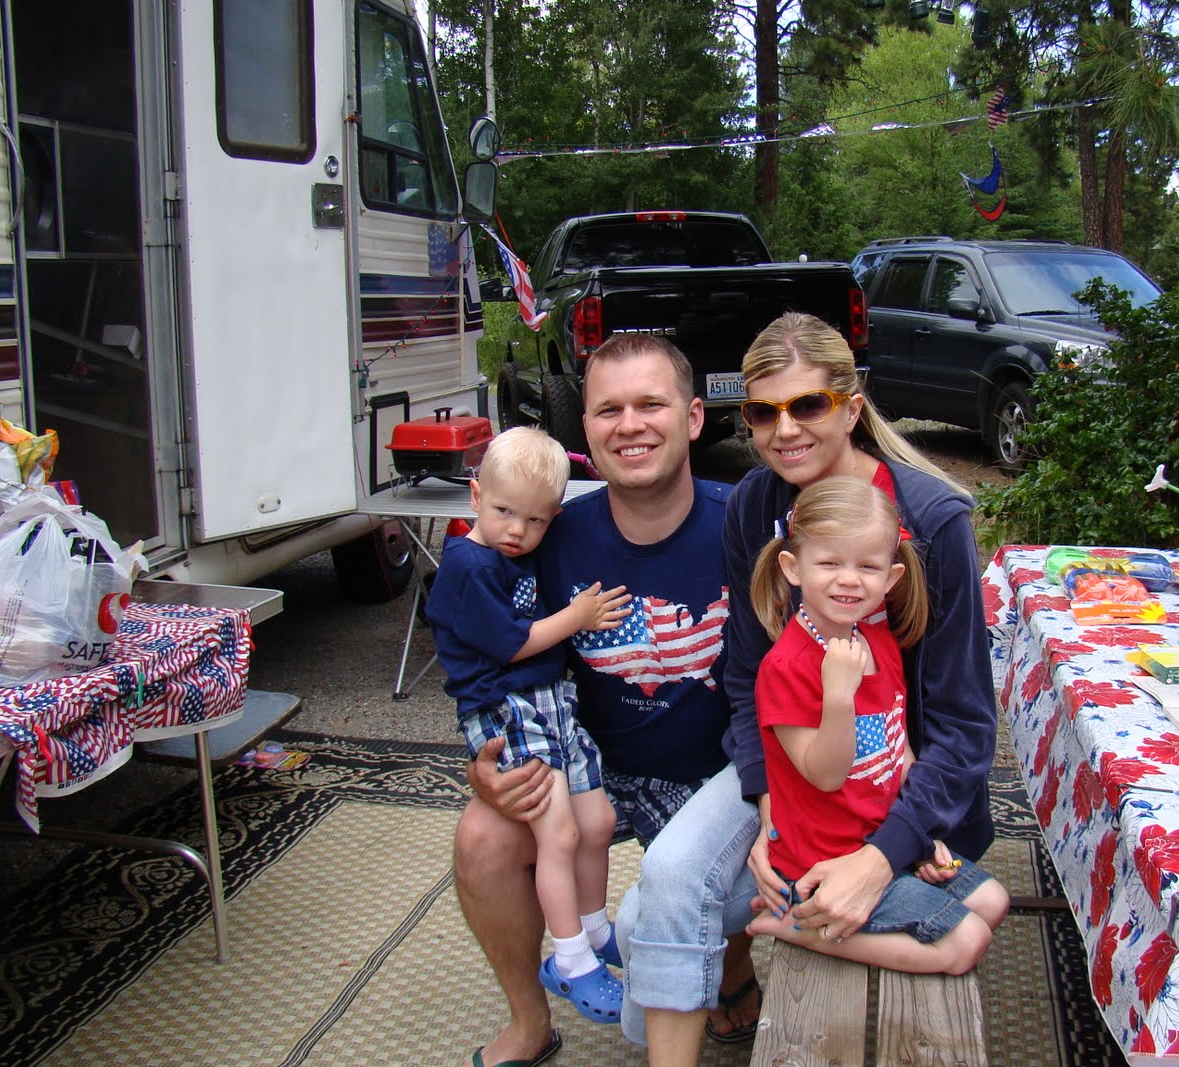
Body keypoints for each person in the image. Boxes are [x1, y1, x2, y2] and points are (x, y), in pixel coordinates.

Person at [621, 311, 1001, 1067]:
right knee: (654, 899)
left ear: (851, 408)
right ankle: (722, 994)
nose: (784, 429)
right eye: (763, 412)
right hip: (794, 764)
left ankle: (772, 944)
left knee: (645, 920)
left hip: (903, 792)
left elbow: (963, 729)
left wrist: (882, 856)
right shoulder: (756, 506)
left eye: (807, 405)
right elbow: (743, 674)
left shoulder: (930, 522)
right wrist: (766, 804)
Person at [451, 336, 759, 1067]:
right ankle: (531, 1019)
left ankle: (734, 970)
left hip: (713, 770)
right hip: (591, 766)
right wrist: (484, 763)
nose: (630, 425)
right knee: (482, 838)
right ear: (583, 428)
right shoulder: (543, 537)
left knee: (744, 843)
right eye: (609, 410)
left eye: (651, 404)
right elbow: (486, 652)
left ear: (693, 417)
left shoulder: (742, 526)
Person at [743, 476, 1008, 972]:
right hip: (821, 861)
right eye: (830, 563)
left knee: (993, 902)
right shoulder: (787, 668)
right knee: (966, 943)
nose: (849, 579)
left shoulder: (877, 641)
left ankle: (845, 911)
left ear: (890, 578)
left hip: (879, 841)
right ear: (793, 567)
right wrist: (838, 697)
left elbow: (897, 750)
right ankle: (798, 926)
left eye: (867, 566)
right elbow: (825, 775)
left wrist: (918, 839)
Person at [426, 427, 633, 1027]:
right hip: (504, 705)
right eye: (504, 512)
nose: (518, 530)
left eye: (536, 520)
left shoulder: (515, 552)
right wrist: (578, 616)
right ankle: (569, 959)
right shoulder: (467, 565)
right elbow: (512, 645)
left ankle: (593, 928)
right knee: (558, 833)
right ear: (475, 497)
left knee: (597, 820)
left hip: (550, 700)